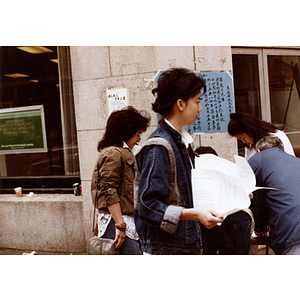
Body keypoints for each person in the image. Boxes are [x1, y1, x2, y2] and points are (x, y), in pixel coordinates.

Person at [134, 67, 223, 255]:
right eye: (197, 101)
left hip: (180, 246)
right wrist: (194, 214)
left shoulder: (181, 142)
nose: (200, 108)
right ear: (180, 104)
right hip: (166, 249)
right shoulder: (159, 147)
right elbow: (148, 205)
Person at [227, 112, 295, 254]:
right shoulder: (250, 148)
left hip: (279, 203)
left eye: (243, 138)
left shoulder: (277, 137)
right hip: (265, 210)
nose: (243, 142)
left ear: (250, 129)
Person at [91, 106, 151, 254]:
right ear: (126, 132)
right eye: (138, 134)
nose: (139, 139)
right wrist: (120, 225)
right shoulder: (113, 153)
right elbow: (108, 190)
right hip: (116, 221)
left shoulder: (121, 153)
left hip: (122, 220)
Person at [195, 146, 252, 255]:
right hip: (240, 216)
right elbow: (249, 194)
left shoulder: (194, 163)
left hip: (210, 217)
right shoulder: (230, 165)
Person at [248, 136, 300, 255]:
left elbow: (255, 196)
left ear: (259, 151)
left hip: (292, 231)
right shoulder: (296, 160)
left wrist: (260, 228)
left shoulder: (258, 159)